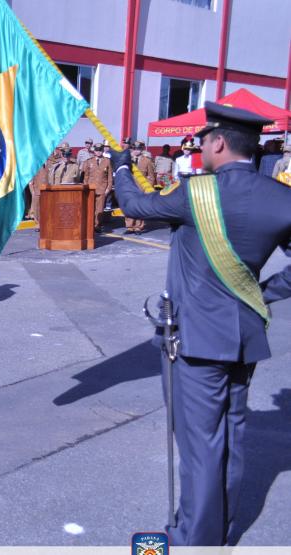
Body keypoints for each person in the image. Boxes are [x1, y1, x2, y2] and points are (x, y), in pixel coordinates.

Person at [114, 102, 291, 546]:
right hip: (245, 335)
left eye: (204, 141)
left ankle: (194, 541)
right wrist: (264, 292)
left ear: (220, 143)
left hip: (194, 340)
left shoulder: (197, 193)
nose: (200, 149)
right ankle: (220, 530)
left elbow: (134, 204)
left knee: (200, 446)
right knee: (231, 434)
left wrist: (121, 166)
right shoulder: (282, 197)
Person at [82, 143, 112, 232]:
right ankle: (89, 225)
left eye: (100, 150)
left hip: (102, 188)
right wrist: (85, 187)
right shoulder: (89, 161)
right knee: (90, 208)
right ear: (94, 151)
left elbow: (110, 176)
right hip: (90, 188)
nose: (98, 152)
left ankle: (97, 225)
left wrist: (108, 188)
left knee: (99, 209)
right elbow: (86, 176)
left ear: (102, 151)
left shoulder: (107, 161)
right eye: (97, 150)